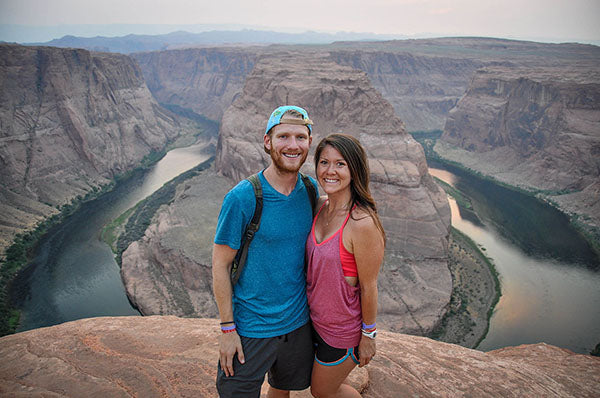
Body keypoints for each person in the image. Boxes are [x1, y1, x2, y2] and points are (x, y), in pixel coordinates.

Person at [212, 105, 319, 398]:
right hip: (251, 328)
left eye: (301, 137)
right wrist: (227, 330)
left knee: (281, 389)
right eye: (283, 136)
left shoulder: (310, 190)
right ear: (267, 141)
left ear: (310, 142)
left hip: (298, 325)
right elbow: (220, 265)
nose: (293, 145)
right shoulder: (243, 197)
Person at [306, 133, 386, 398]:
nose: (330, 171)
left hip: (342, 333)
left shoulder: (361, 223)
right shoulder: (319, 206)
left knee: (321, 391)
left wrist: (368, 337)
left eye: (340, 164)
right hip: (312, 323)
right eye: (324, 162)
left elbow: (369, 286)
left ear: (354, 169)